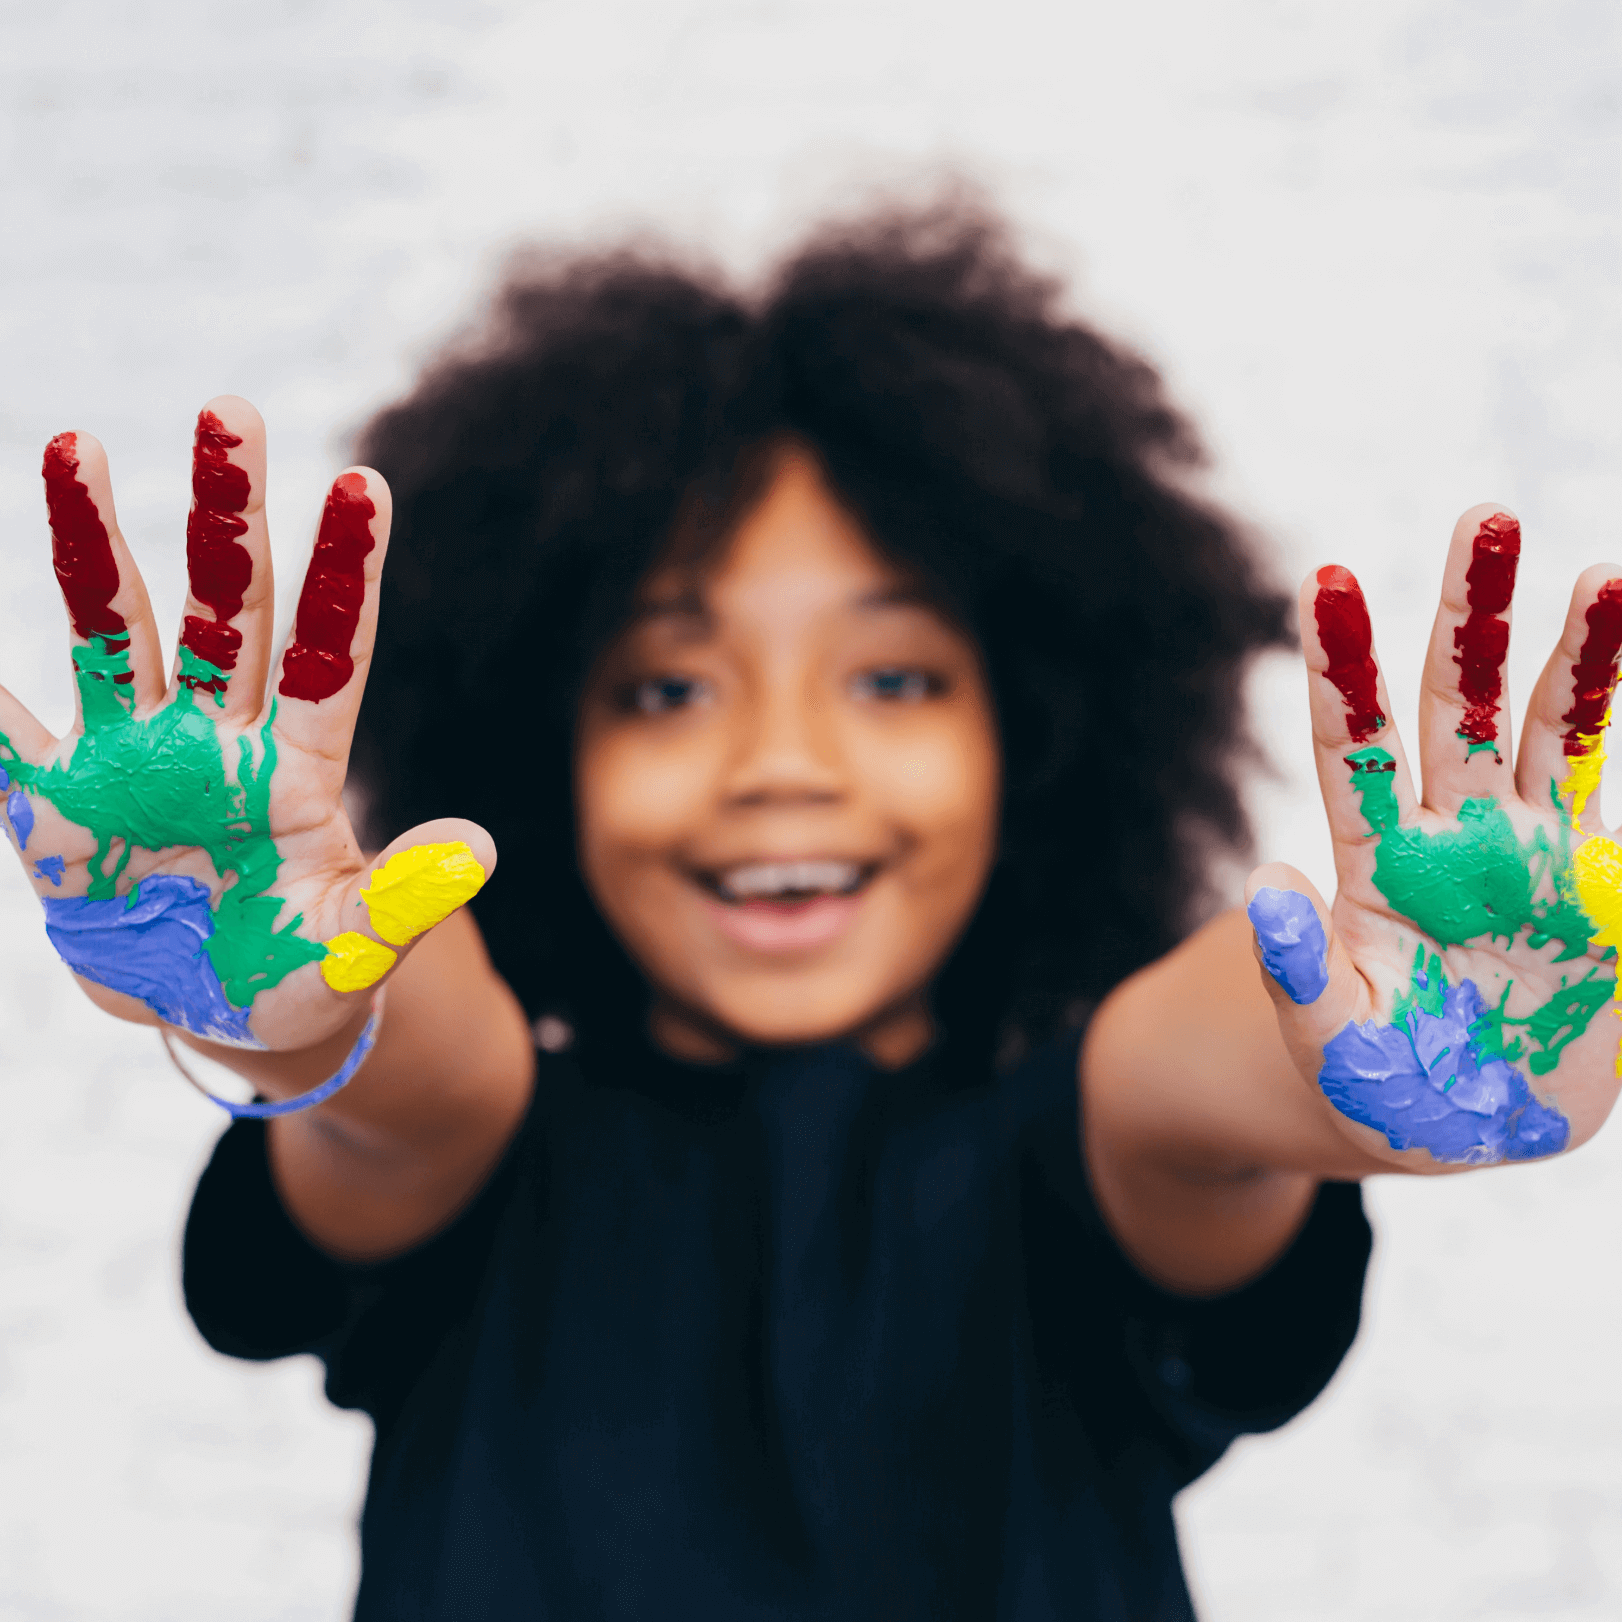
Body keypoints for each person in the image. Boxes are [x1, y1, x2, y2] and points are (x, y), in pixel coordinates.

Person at [1, 205, 1617, 1621]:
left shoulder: (1080, 1141)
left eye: (895, 675)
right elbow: (417, 1065)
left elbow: (1195, 1066)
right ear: (539, 741)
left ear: (1037, 735)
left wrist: (1390, 1055)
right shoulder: (489, 1146)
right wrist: (302, 1005)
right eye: (668, 684)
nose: (781, 763)